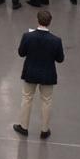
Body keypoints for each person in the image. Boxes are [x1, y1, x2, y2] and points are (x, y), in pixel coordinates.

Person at [13, 9, 64, 139]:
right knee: (47, 101)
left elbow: (21, 53)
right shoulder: (56, 41)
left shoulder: (28, 36)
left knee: (27, 98)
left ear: (37, 20)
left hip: (30, 72)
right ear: (50, 22)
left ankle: (24, 126)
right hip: (48, 74)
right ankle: (44, 130)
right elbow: (60, 59)